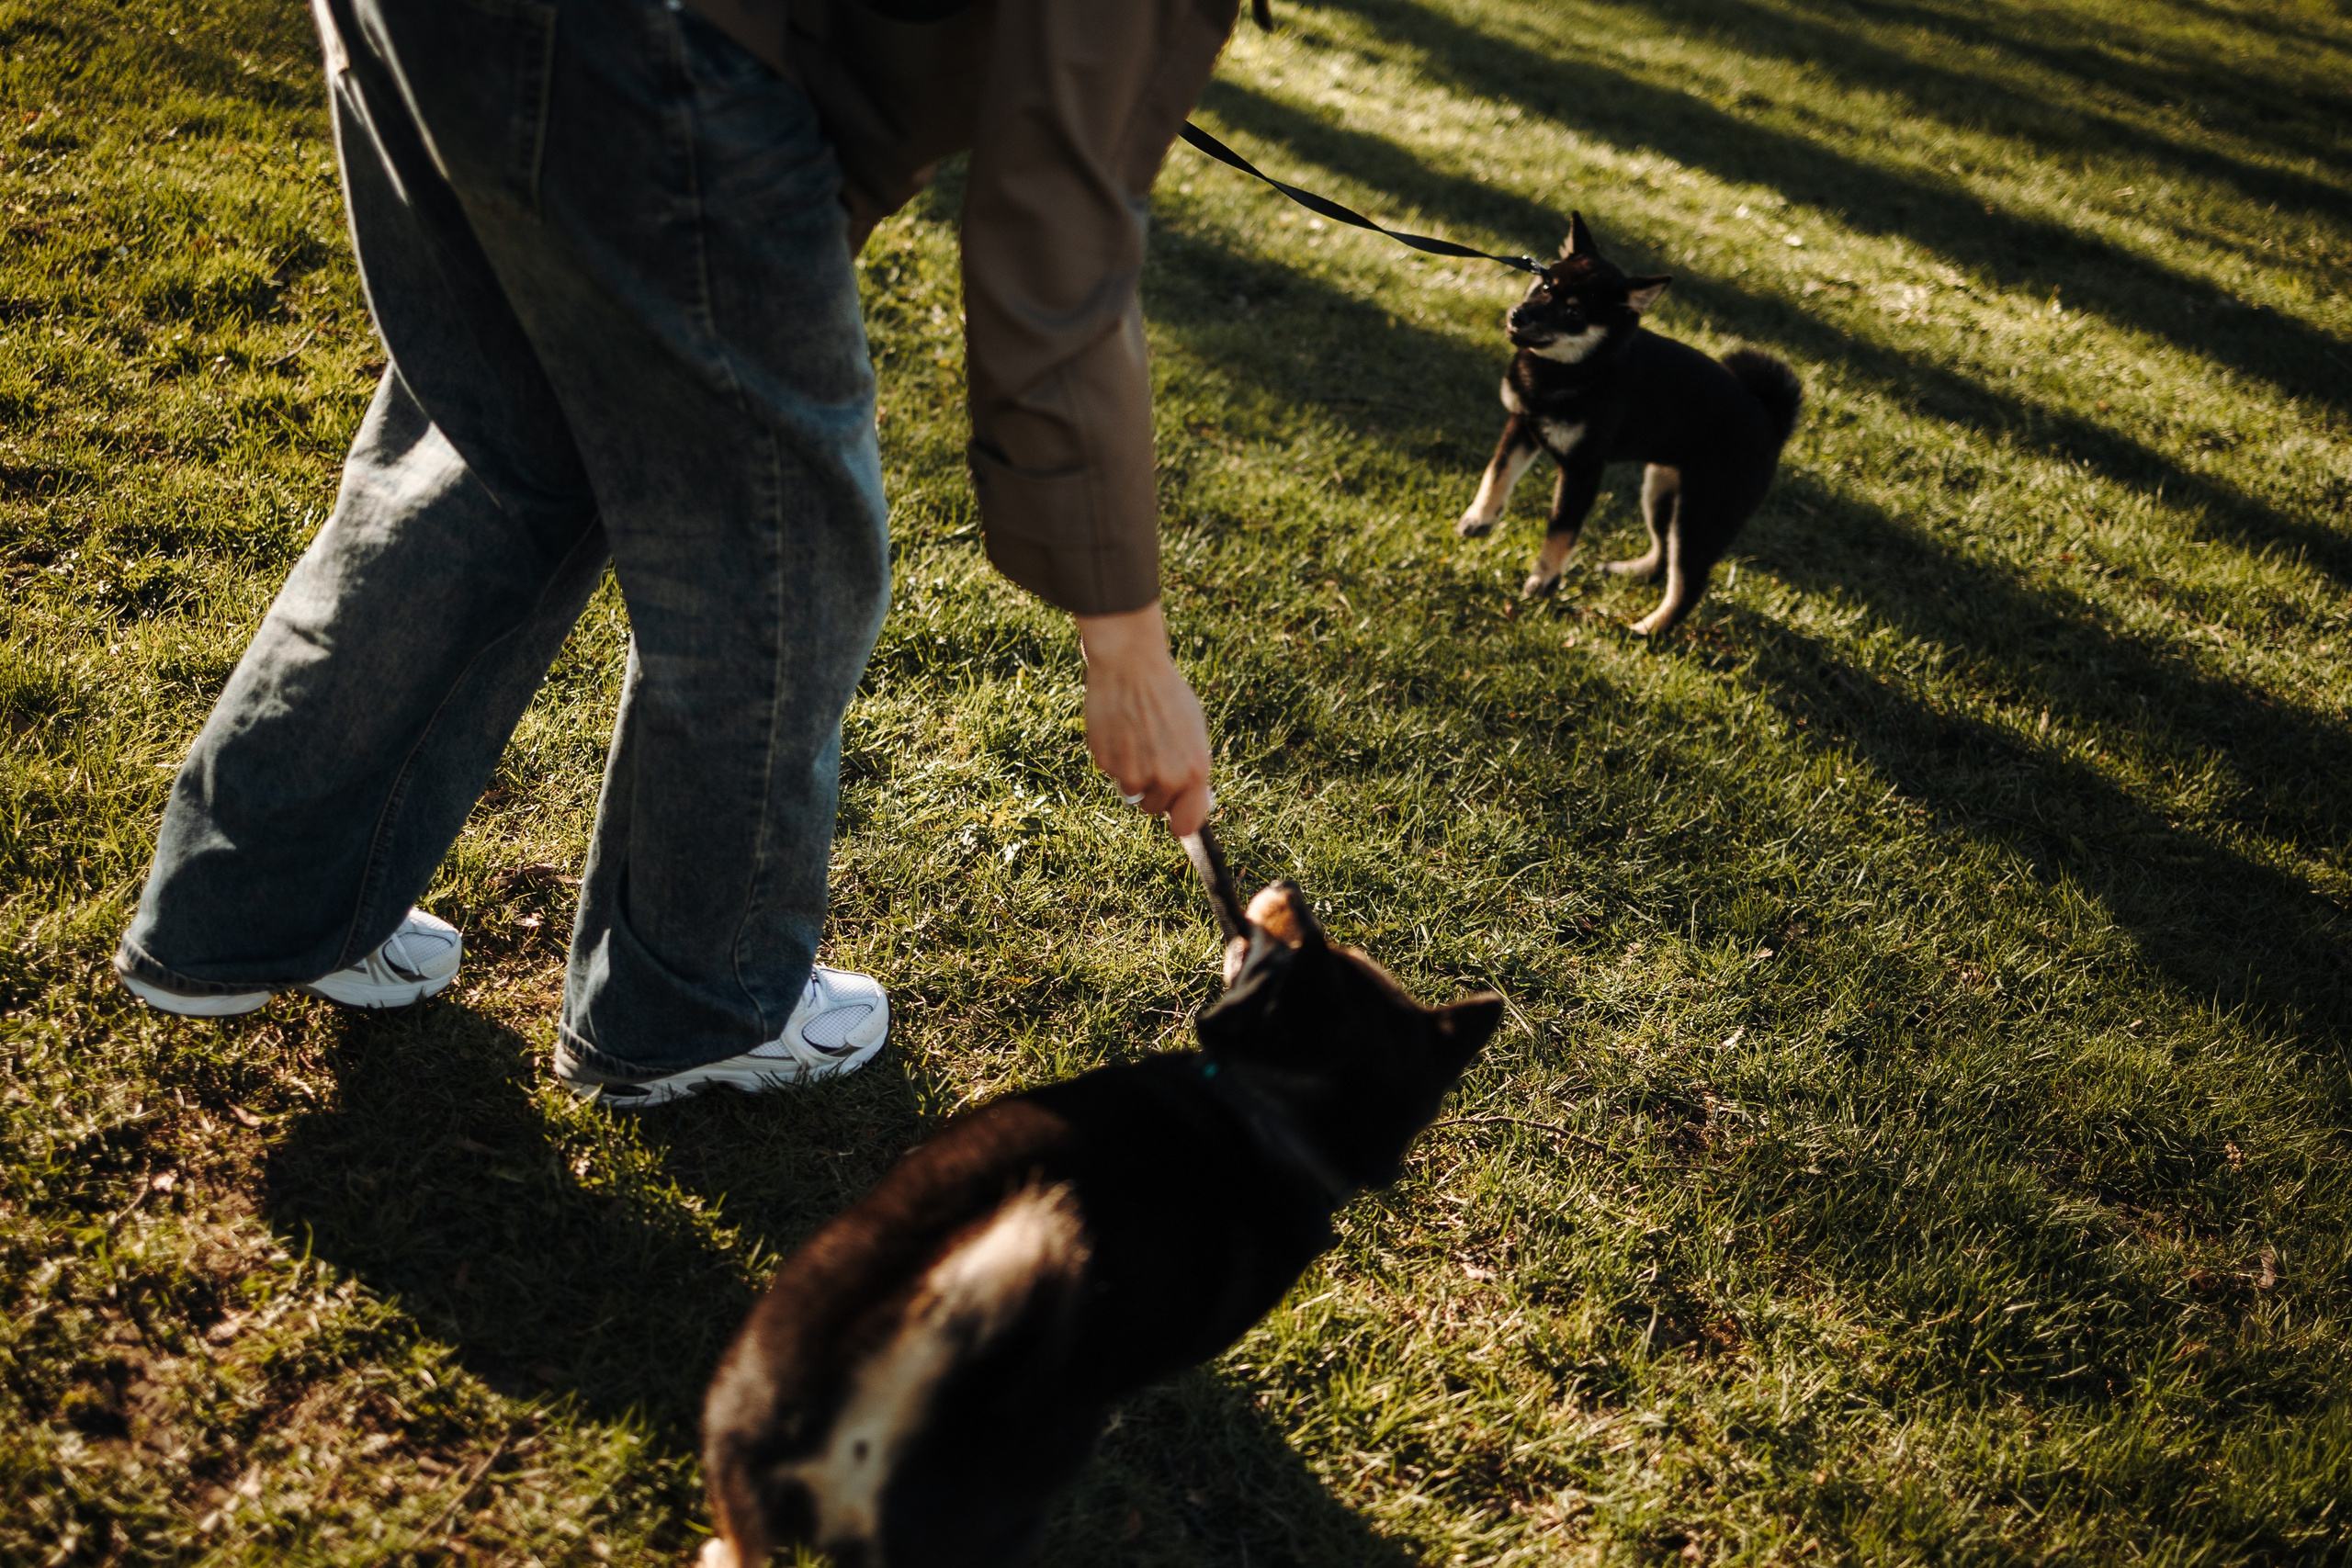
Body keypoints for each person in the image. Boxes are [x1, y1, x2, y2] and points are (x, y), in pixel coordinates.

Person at [110, 0, 1230, 1106]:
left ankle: (251, 904)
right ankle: (697, 1006)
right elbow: (1057, 239)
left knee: (499, 452)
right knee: (774, 548)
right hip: (643, 45)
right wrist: (1125, 646)